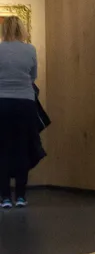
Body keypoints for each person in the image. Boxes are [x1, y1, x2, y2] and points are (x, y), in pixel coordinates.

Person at [0, 16, 43, 208]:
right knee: (22, 149)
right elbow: (33, 76)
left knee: (2, 150)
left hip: (2, 103)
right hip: (25, 103)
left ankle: (5, 197)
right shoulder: (30, 49)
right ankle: (21, 196)